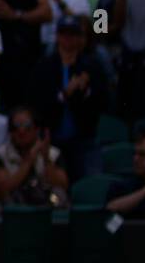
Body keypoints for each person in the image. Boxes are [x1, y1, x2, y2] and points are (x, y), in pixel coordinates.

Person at [28, 14, 109, 181]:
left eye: (73, 34)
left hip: (84, 138)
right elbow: (36, 103)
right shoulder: (44, 66)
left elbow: (105, 102)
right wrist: (64, 94)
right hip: (52, 139)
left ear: (80, 38)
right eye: (64, 34)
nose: (68, 39)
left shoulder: (91, 66)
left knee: (91, 185)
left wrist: (86, 90)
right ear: (57, 36)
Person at [0, 105, 69, 207]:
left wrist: (46, 159)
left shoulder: (53, 153)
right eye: (16, 126)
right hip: (14, 205)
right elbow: (2, 189)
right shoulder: (0, 154)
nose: (21, 131)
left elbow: (62, 186)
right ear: (10, 131)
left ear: (37, 129)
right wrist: (29, 160)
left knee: (58, 196)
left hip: (47, 202)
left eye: (27, 126)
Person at [106, 133, 145, 219]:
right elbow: (110, 215)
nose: (135, 159)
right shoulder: (121, 187)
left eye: (143, 154)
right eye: (135, 154)